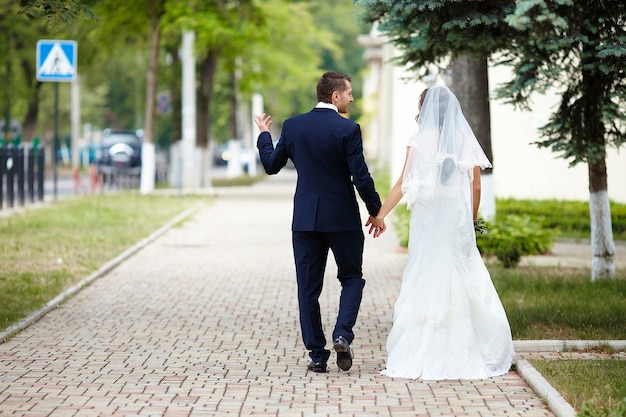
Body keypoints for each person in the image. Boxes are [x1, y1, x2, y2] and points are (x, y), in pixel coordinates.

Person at [367, 85, 514, 380]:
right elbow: (474, 186)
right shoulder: (464, 140)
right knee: (463, 274)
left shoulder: (418, 142)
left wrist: (380, 214)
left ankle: (422, 349)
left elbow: (402, 184)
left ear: (425, 110)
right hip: (454, 218)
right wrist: (470, 222)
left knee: (426, 273)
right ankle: (476, 346)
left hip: (427, 220)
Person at [253, 71, 382, 374]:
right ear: (335, 96)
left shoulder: (294, 126)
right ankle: (342, 334)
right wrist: (375, 210)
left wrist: (263, 135)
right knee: (351, 278)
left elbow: (272, 166)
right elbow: (360, 177)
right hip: (342, 219)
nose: (352, 98)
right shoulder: (348, 129)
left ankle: (317, 356)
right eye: (349, 93)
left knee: (307, 289)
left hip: (306, 220)